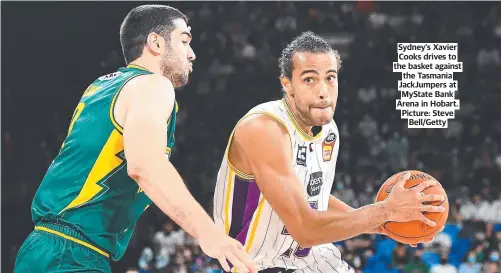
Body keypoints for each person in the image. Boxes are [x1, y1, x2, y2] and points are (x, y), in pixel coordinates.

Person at [14, 5, 256, 273]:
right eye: (184, 41)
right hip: (70, 253)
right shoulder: (152, 85)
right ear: (155, 43)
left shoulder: (102, 87)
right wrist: (210, 234)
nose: (192, 53)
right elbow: (145, 166)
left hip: (46, 247)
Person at [213, 31, 445, 272]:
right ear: (287, 84)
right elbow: (305, 229)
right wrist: (383, 211)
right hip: (254, 265)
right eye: (309, 80)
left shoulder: (328, 131)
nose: (323, 91)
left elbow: (313, 198)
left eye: (330, 78)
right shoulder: (263, 128)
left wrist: (383, 224)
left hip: (309, 260)